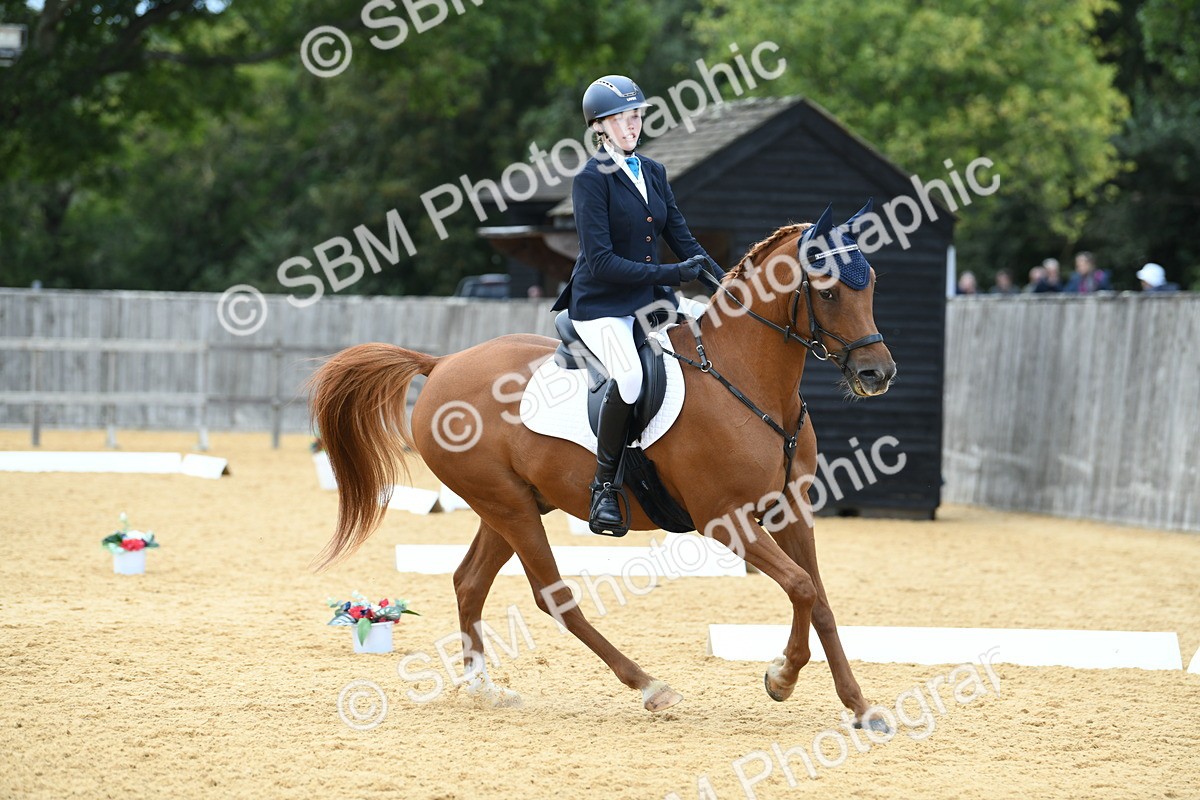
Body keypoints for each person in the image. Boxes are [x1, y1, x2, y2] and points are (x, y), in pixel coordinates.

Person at [551, 74, 722, 534]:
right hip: (601, 305)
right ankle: (604, 488)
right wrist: (673, 274)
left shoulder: (653, 172)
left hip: (651, 301)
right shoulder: (591, 179)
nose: (634, 126)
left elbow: (682, 239)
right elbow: (602, 261)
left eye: (638, 116)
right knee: (628, 377)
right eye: (624, 119)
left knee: (709, 346)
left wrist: (725, 282)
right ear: (600, 126)